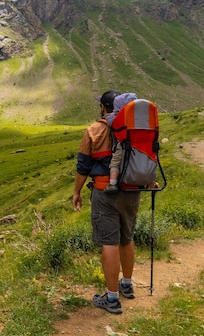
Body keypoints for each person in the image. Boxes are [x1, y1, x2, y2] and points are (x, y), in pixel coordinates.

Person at [72, 89, 142, 314]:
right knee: (126, 238)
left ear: (103, 107)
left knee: (109, 242)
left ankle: (111, 299)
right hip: (132, 191)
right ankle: (127, 285)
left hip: (105, 193)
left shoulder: (94, 130)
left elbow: (83, 166)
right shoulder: (134, 129)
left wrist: (77, 192)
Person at [103, 92, 138, 194]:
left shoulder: (118, 118)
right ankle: (151, 181)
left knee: (115, 162)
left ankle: (113, 184)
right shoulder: (140, 117)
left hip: (123, 145)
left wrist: (108, 115)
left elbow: (110, 121)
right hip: (140, 145)